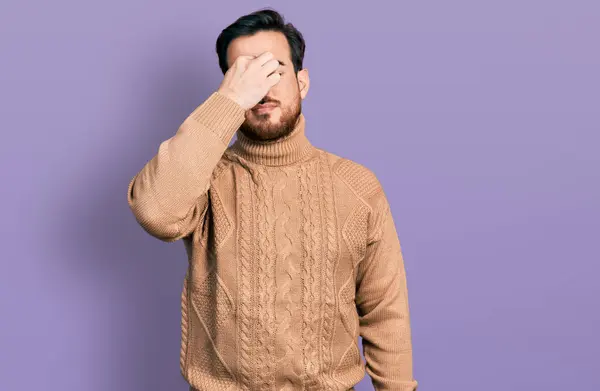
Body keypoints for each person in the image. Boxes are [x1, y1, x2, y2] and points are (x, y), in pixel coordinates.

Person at [127, 8, 418, 391]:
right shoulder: (206, 178)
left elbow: (386, 312)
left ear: (303, 82)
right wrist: (227, 103)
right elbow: (155, 212)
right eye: (245, 74)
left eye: (274, 69)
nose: (262, 87)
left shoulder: (357, 185)